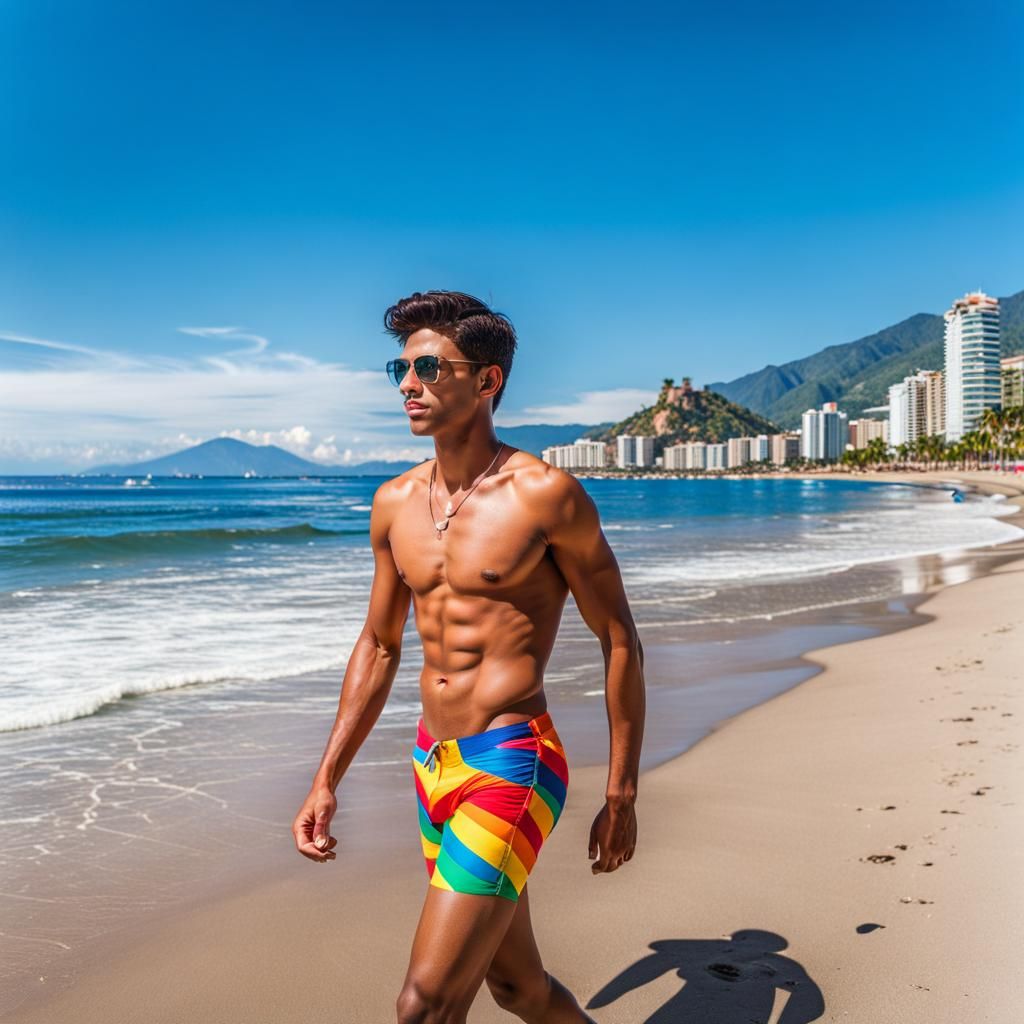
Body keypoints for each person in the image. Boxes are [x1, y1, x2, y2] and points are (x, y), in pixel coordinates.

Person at [292, 290, 646, 1023]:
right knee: (519, 989)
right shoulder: (394, 503)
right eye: (400, 368)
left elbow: (619, 639)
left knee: (424, 1004)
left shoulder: (546, 495)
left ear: (488, 380)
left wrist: (621, 795)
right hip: (432, 766)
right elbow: (380, 644)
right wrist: (326, 777)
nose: (408, 384)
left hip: (512, 763)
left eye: (428, 367)